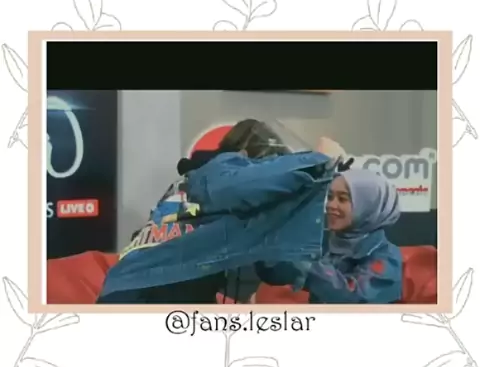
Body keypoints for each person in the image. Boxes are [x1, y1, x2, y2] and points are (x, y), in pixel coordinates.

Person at [97, 118, 325, 304]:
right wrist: (316, 162)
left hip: (143, 284)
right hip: (153, 288)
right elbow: (241, 186)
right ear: (244, 155)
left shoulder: (195, 183)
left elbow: (275, 268)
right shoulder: (222, 169)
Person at [255, 168, 403, 304]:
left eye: (342, 199)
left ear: (368, 207)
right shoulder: (327, 246)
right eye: (330, 197)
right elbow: (277, 274)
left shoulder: (386, 257)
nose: (331, 205)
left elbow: (356, 299)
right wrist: (266, 245)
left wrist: (307, 267)